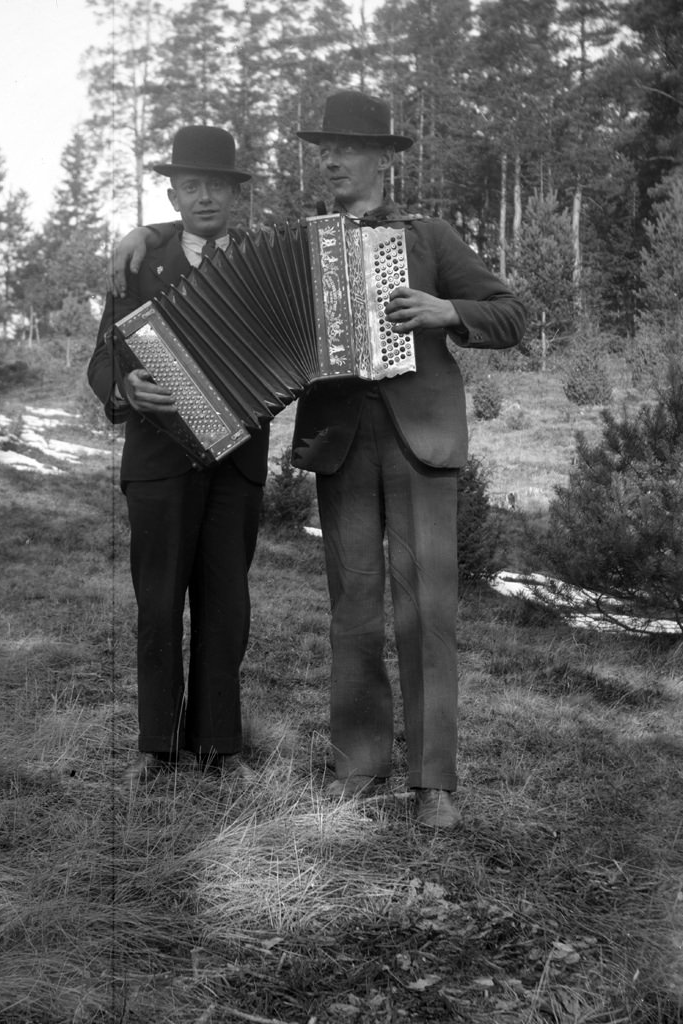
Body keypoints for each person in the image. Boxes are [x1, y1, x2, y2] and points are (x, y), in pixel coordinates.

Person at [109, 93, 527, 825]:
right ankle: (360, 771)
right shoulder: (305, 242)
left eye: (345, 148)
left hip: (420, 442)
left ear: (383, 160)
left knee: (426, 613)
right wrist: (142, 232)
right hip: (339, 446)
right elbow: (214, 249)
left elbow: (512, 314)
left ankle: (434, 785)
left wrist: (447, 312)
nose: (329, 160)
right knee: (353, 615)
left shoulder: (428, 236)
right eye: (321, 149)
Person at [88, 126, 268, 782]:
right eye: (191, 186)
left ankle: (221, 745)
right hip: (158, 458)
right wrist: (124, 387)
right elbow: (102, 355)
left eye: (216, 186)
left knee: (226, 604)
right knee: (158, 603)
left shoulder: (261, 261)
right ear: (171, 194)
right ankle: (155, 745)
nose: (204, 198)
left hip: (236, 463)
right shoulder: (139, 260)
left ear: (235, 195)